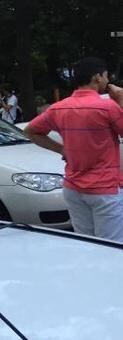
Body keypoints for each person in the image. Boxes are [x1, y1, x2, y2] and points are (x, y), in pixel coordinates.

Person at [24, 57, 123, 242]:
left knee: (85, 244)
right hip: (105, 190)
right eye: (106, 76)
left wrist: (62, 150)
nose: (107, 81)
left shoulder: (59, 108)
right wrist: (121, 99)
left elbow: (30, 131)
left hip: (73, 188)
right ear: (97, 77)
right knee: (111, 248)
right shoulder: (107, 106)